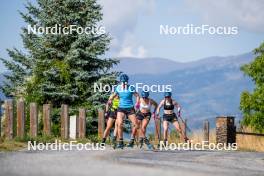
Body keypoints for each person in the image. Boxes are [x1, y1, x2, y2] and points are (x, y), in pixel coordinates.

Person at [107, 74, 140, 149]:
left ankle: (141, 139)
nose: (124, 83)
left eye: (125, 82)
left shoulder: (131, 88)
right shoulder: (118, 88)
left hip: (130, 108)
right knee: (120, 123)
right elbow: (114, 94)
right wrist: (110, 99)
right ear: (120, 82)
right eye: (122, 82)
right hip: (121, 108)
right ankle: (120, 142)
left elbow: (137, 95)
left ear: (127, 82)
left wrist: (137, 103)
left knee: (136, 124)